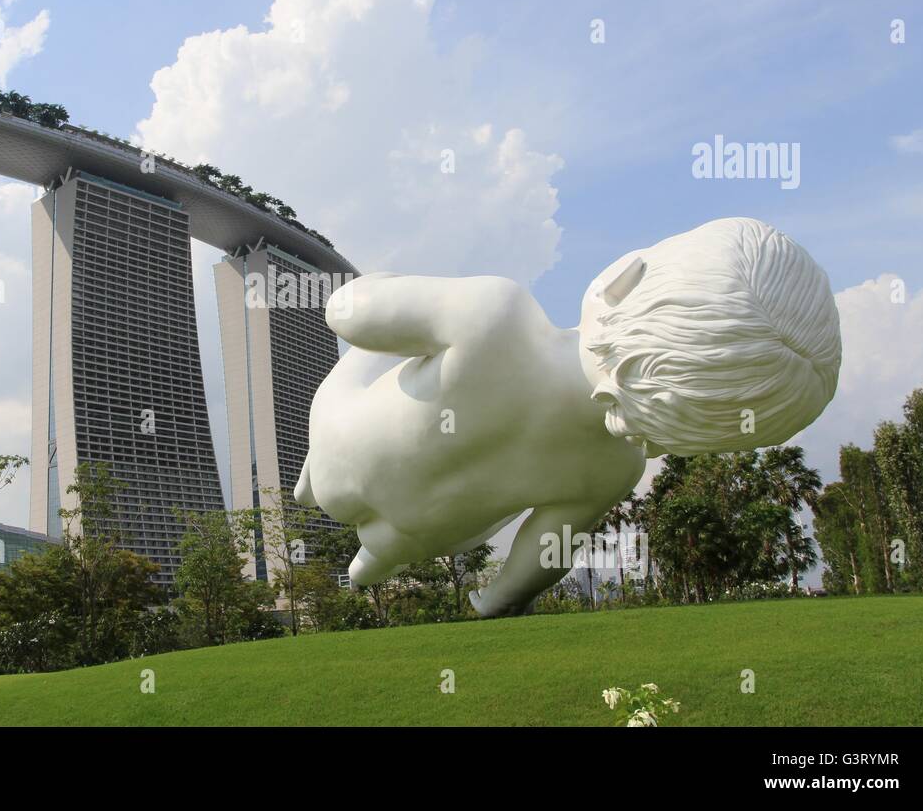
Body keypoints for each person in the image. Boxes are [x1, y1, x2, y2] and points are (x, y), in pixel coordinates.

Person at [295, 217, 841, 616]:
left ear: (625, 277)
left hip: (339, 442)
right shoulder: (614, 466)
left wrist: (378, 282)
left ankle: (309, 485)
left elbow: (347, 314)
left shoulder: (495, 315)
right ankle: (366, 565)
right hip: (417, 534)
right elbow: (545, 549)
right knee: (377, 556)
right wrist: (497, 601)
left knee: (367, 379)